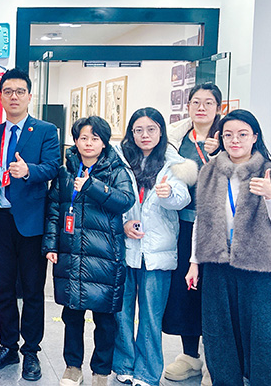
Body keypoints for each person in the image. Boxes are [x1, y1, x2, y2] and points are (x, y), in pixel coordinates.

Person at [185, 109, 271, 386]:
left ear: (254, 137)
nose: (235, 140)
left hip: (262, 268)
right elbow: (201, 219)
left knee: (263, 340)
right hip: (218, 265)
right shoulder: (210, 171)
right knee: (219, 337)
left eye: (242, 134)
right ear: (221, 138)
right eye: (229, 135)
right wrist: (194, 262)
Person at [0, 68, 60, 381]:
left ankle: (31, 352)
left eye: (20, 91)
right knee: (4, 289)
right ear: (0, 96)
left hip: (32, 224)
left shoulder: (46, 131)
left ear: (29, 96)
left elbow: (53, 168)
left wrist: (28, 171)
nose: (14, 97)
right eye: (8, 91)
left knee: (33, 291)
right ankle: (8, 346)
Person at [43, 116, 135, 386]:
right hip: (71, 253)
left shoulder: (116, 170)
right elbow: (54, 209)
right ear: (75, 140)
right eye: (83, 138)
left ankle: (101, 371)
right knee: (72, 316)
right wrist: (51, 245)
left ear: (104, 142)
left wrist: (92, 185)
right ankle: (73, 367)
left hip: (104, 256)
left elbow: (125, 200)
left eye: (95, 138)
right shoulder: (65, 171)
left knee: (105, 320)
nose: (89, 143)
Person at [112, 108, 194, 386]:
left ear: (161, 132)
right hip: (125, 248)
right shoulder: (120, 160)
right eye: (138, 130)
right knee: (122, 312)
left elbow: (182, 199)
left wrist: (168, 194)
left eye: (151, 129)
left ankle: (147, 373)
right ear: (131, 133)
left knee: (150, 316)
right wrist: (123, 224)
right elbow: (112, 199)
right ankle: (124, 364)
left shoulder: (174, 163)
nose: (144, 135)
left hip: (157, 252)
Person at [163, 83, 222, 385]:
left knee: (215, 294)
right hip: (183, 225)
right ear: (187, 107)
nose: (201, 107)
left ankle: (217, 362)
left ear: (219, 108)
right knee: (187, 291)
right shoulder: (176, 138)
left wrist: (219, 154)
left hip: (219, 230)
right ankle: (190, 356)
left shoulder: (227, 137)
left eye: (208, 102)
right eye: (196, 102)